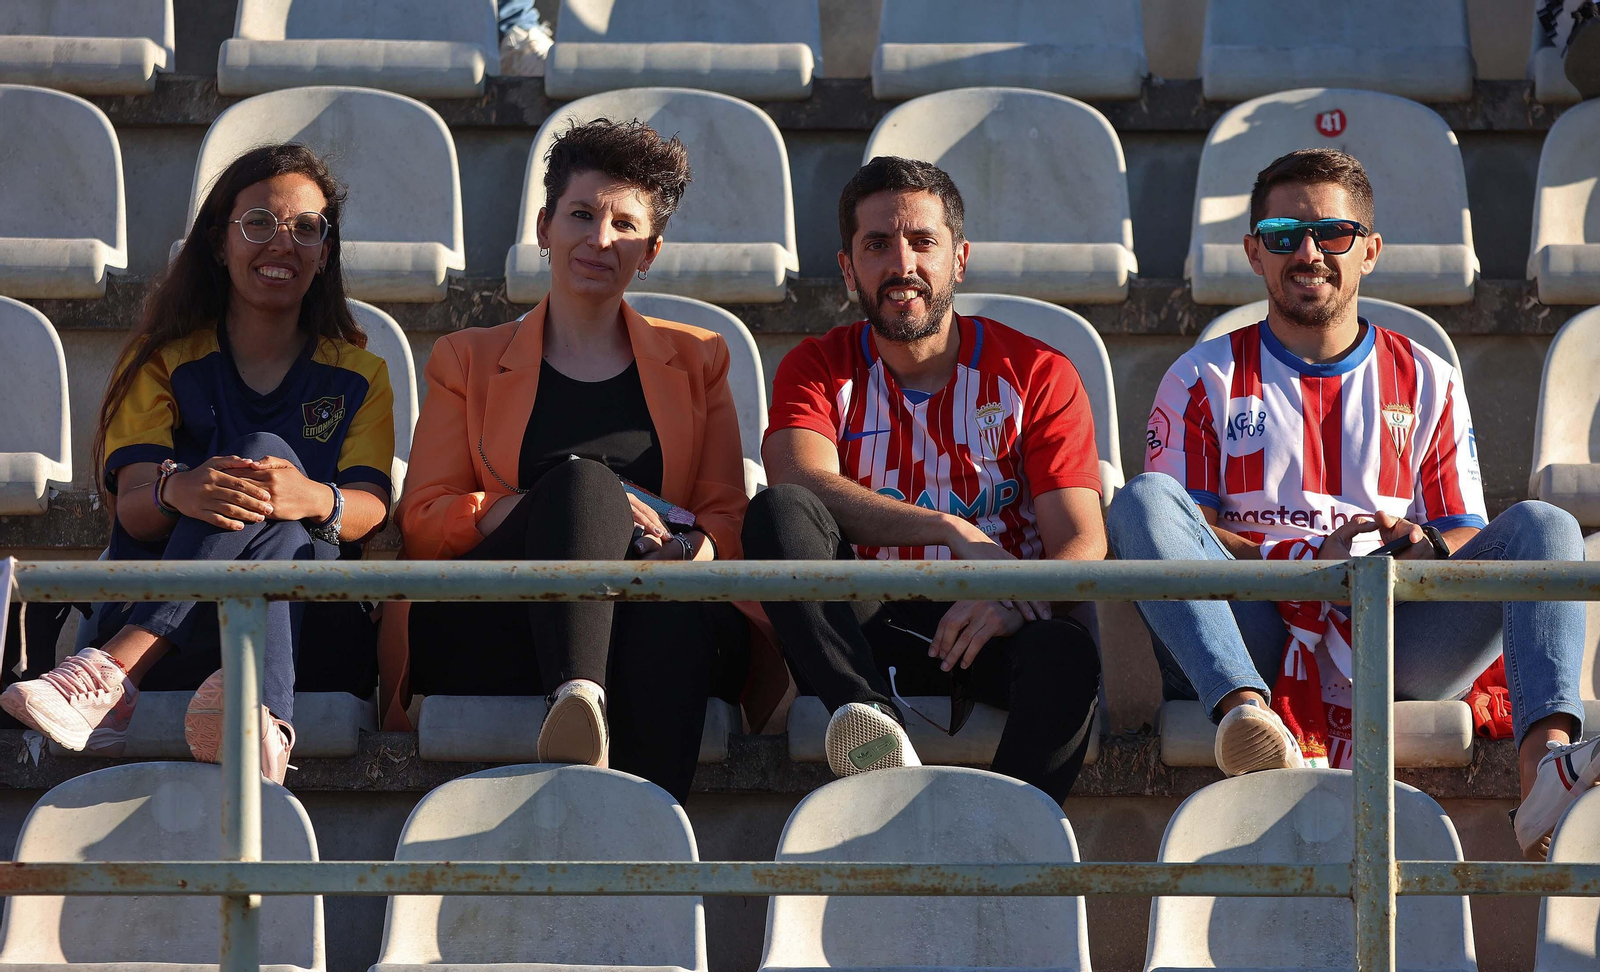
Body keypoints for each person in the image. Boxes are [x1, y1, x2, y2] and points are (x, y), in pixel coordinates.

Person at [1106, 148, 1588, 859]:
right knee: (1140, 499)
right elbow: (1181, 531)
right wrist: (1301, 561)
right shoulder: (1202, 374)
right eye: (1282, 235)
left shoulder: (1427, 376)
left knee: (1548, 526)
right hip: (1256, 627)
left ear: (1369, 250)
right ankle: (1243, 717)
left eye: (1333, 234)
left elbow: (1462, 532)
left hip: (1394, 632)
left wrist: (1421, 546)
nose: (1308, 252)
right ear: (1253, 253)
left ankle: (1545, 766)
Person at [0, 144, 396, 784]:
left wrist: (311, 498)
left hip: (311, 633)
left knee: (276, 483)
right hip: (189, 639)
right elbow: (132, 505)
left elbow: (370, 509)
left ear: (326, 253)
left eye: (306, 229)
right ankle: (263, 721)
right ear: (219, 242)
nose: (282, 243)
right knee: (265, 480)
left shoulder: (360, 374)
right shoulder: (162, 362)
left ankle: (114, 673)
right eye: (259, 223)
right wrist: (177, 491)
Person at [394, 118, 748, 802]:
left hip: (649, 611)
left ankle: (649, 835)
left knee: (674, 614)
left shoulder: (699, 359)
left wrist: (689, 551)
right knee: (586, 485)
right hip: (501, 622)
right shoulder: (465, 359)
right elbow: (425, 519)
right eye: (582, 215)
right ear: (544, 226)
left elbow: (728, 519)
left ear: (649, 252)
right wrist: (543, 507)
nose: (600, 238)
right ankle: (579, 695)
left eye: (625, 225)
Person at [742, 156, 1106, 804]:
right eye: (877, 244)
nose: (902, 264)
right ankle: (871, 728)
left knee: (1068, 656)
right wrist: (947, 528)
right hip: (863, 621)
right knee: (776, 512)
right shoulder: (817, 365)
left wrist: (1010, 598)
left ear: (959, 259)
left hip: (992, 624)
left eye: (922, 242)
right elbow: (799, 476)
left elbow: (1082, 540)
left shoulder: (1037, 371)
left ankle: (1005, 847)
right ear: (848, 267)